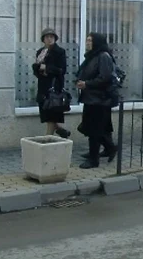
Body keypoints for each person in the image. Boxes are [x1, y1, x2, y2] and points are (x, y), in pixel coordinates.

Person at [76, 33, 119, 169]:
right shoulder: (92, 56)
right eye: (87, 40)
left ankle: (95, 160)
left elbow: (104, 78)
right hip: (91, 98)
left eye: (90, 40)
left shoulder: (103, 56)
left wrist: (87, 84)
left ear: (97, 42)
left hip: (99, 99)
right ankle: (107, 149)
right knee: (93, 128)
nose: (87, 43)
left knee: (94, 130)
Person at [32, 28, 70, 138]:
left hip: (54, 87)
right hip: (43, 87)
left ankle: (47, 139)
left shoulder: (60, 52)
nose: (49, 39)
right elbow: (37, 69)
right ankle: (62, 131)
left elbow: (62, 70)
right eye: (47, 37)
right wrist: (37, 69)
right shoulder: (40, 52)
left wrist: (47, 68)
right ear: (43, 39)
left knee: (52, 116)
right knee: (46, 115)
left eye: (52, 37)